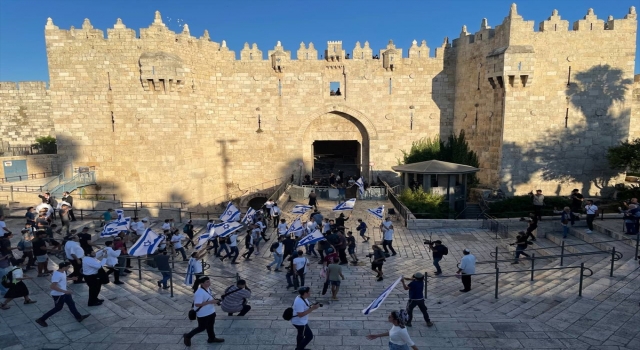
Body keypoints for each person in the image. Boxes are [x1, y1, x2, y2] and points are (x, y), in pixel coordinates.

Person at [35, 262, 90, 327]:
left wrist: (72, 278)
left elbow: (64, 278)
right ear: (64, 267)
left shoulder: (63, 272)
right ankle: (41, 319)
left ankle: (79, 317)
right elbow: (52, 286)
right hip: (59, 295)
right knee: (58, 308)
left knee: (71, 304)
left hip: (64, 293)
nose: (69, 267)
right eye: (68, 266)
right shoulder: (57, 275)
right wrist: (64, 291)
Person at [183, 277, 224, 346]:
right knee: (201, 327)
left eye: (209, 281)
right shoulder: (199, 293)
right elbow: (197, 304)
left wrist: (215, 301)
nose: (209, 283)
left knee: (210, 326)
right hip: (203, 314)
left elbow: (209, 298)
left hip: (211, 311)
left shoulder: (208, 289)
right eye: (207, 282)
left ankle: (212, 338)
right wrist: (211, 302)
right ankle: (188, 336)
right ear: (202, 284)